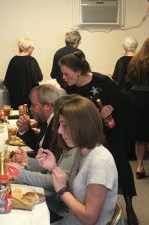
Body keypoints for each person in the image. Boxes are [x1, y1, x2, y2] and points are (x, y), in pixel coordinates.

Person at [59, 51, 138, 225]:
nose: (63, 78)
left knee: (120, 167)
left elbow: (125, 98)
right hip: (89, 136)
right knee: (89, 171)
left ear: (78, 71)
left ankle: (130, 207)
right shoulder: (71, 89)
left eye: (66, 73)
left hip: (111, 131)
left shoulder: (102, 81)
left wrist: (111, 107)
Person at [36, 95, 118, 225]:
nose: (59, 131)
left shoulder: (100, 161)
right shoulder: (82, 151)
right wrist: (53, 167)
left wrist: (62, 191)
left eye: (64, 125)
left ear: (82, 127)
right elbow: (77, 187)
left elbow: (90, 218)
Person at [16, 83, 66, 158]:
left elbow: (48, 159)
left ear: (48, 106)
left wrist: (25, 159)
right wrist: (25, 130)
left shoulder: (58, 126)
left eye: (33, 104)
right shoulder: (47, 119)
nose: (30, 108)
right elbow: (39, 147)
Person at [127, 37, 149, 179]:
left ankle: (140, 165)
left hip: (135, 99)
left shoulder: (134, 61)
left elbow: (129, 80)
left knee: (140, 136)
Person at [4, 37, 43, 109]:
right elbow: (39, 78)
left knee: (17, 117)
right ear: (29, 48)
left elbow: (7, 81)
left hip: (15, 97)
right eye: (32, 48)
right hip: (29, 97)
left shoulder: (13, 60)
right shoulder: (31, 60)